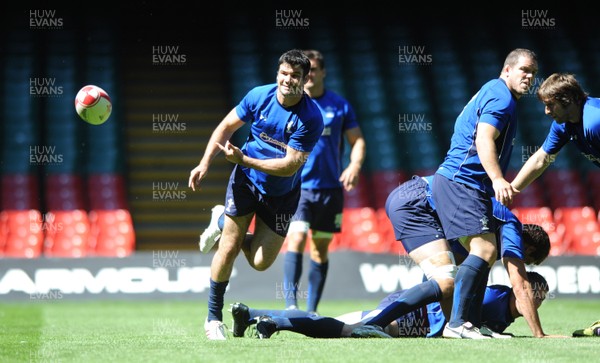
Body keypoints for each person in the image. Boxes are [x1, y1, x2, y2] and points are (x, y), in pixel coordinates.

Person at [188, 49, 324, 340]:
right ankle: (213, 318)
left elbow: (288, 167)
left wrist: (245, 159)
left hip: (281, 194)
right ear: (278, 73)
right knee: (229, 247)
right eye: (284, 73)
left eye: (295, 76)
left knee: (261, 262)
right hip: (246, 183)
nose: (288, 80)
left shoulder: (311, 118)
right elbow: (225, 127)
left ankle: (220, 221)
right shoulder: (259, 96)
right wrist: (204, 163)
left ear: (305, 79)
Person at [349, 174, 553, 340]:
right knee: (445, 279)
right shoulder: (510, 225)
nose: (521, 262)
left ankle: (462, 327)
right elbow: (520, 285)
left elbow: (464, 281)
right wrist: (539, 334)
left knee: (447, 278)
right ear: (529, 249)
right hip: (418, 200)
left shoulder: (479, 233)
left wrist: (469, 325)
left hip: (408, 197)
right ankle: (376, 323)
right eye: (527, 260)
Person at [430, 48, 539, 339]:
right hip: (461, 181)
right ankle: (456, 324)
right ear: (507, 70)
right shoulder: (501, 96)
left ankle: (472, 324)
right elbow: (483, 137)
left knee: (483, 253)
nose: (529, 77)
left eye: (533, 73)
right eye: (524, 70)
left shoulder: (496, 94)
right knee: (485, 250)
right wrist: (497, 179)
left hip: (466, 185)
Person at [283, 49, 366, 314]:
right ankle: (290, 305)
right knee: (295, 239)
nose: (309, 75)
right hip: (298, 188)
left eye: (314, 70)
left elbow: (358, 141)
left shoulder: (339, 105)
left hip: (330, 190)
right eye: (306, 71)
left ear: (322, 72)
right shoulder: (290, 103)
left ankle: (311, 311)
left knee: (319, 250)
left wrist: (354, 164)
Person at [229, 271, 550, 339]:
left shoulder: (506, 312)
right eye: (536, 293)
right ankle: (276, 322)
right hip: (416, 317)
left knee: (334, 323)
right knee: (344, 329)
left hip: (417, 317)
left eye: (542, 297)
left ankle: (256, 316)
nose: (538, 301)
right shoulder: (496, 297)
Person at [511, 72, 600, 193]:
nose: (546, 111)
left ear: (568, 100)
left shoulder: (595, 120)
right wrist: (511, 190)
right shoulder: (562, 125)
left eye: (550, 105)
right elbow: (541, 159)